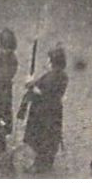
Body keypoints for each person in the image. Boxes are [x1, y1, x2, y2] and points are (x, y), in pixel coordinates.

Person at [18, 46, 69, 174]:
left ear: (52, 61)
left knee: (41, 138)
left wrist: (30, 84)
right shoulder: (62, 75)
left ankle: (39, 165)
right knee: (50, 138)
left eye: (48, 59)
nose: (46, 61)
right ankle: (47, 161)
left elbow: (43, 92)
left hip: (44, 112)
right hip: (54, 111)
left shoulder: (51, 77)